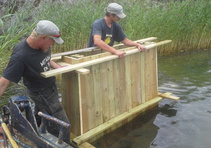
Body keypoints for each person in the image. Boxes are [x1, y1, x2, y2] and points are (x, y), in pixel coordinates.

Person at [0, 20, 71, 144]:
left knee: (40, 117)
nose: (53, 45)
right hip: (41, 93)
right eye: (52, 41)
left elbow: (46, 59)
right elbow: (4, 82)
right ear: (43, 38)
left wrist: (58, 67)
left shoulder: (42, 46)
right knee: (63, 126)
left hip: (50, 87)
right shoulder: (21, 56)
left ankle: (39, 134)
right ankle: (62, 144)